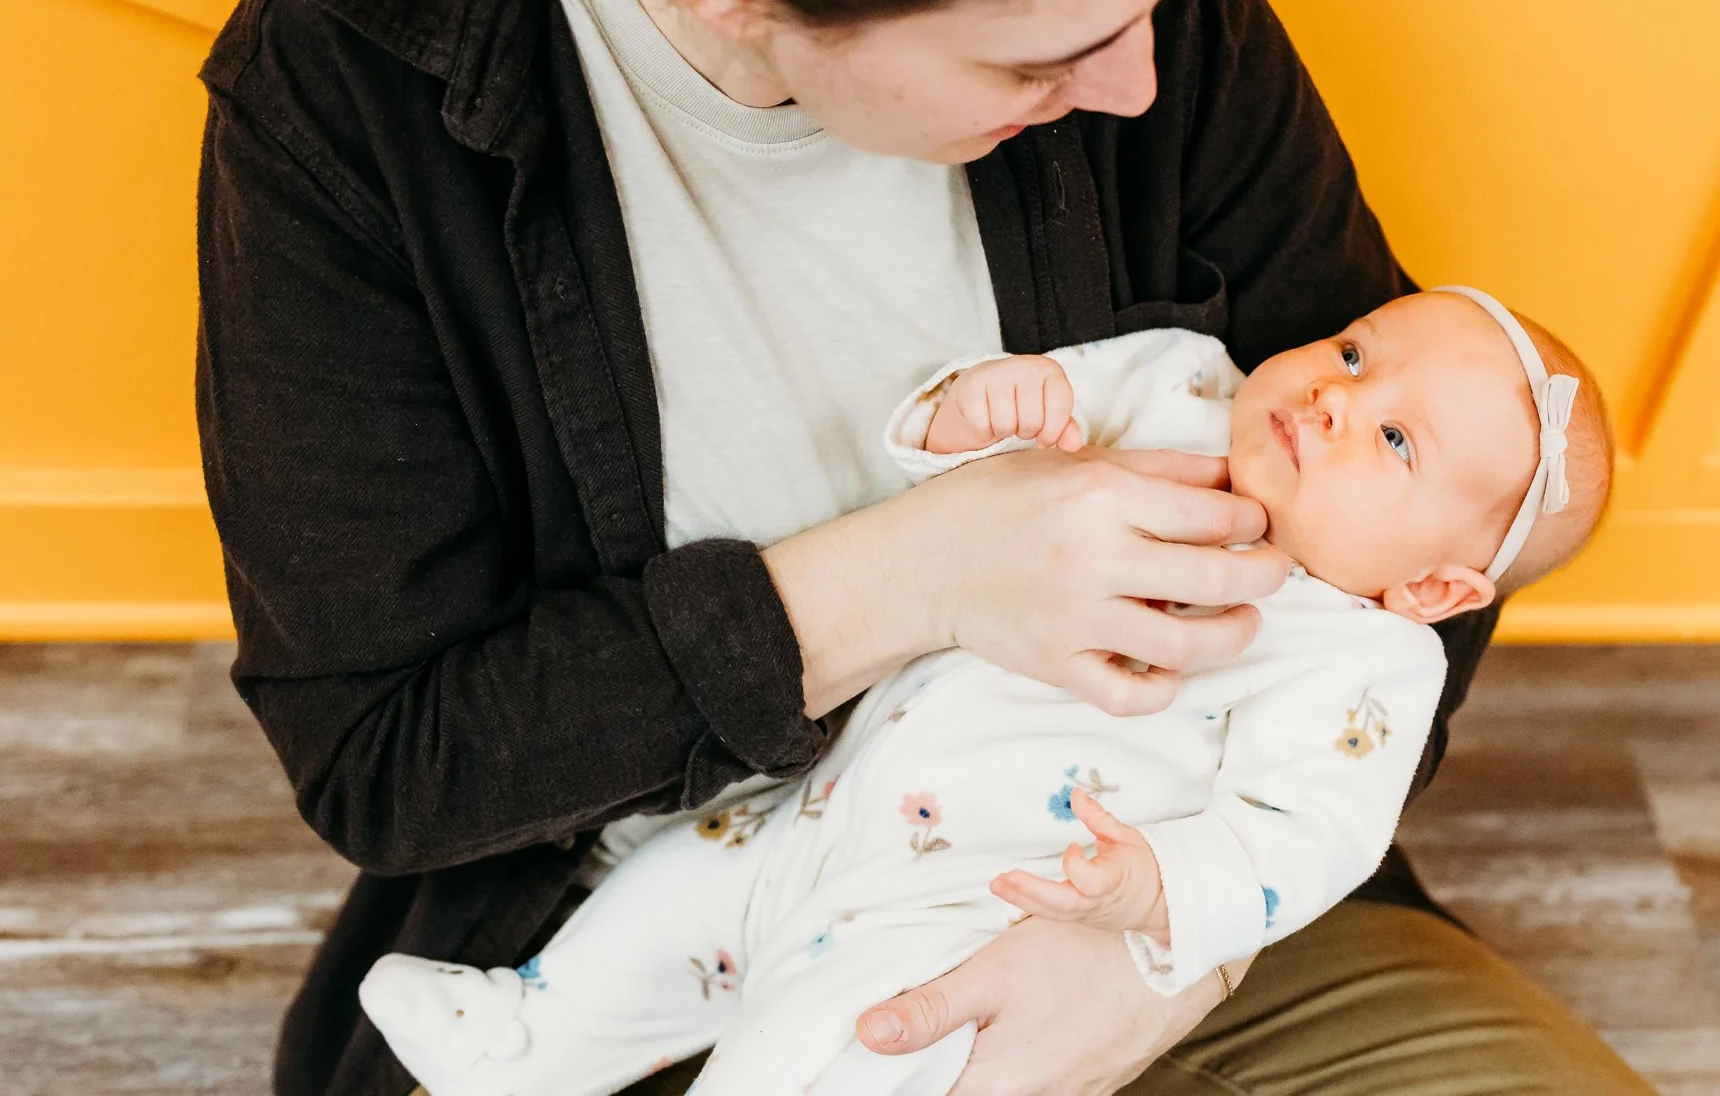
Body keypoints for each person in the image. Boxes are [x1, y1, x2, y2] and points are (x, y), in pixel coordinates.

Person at [192, 0, 1658, 1092]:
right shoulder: (351, 90)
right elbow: (393, 756)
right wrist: (920, 574)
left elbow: (1452, 519)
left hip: (1138, 872)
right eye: (1037, 62)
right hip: (662, 920)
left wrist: (1159, 956)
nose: (1138, 87)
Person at [356, 288, 1616, 1096]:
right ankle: (525, 1034)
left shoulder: (1358, 660)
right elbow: (991, 420)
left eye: (1394, 442)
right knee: (664, 910)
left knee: (838, 1042)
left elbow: (1307, 836)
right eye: (1353, 351)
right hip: (814, 798)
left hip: (970, 903)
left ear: (1437, 589)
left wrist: (1159, 899)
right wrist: (990, 404)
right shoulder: (1182, 383)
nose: (1336, 398)